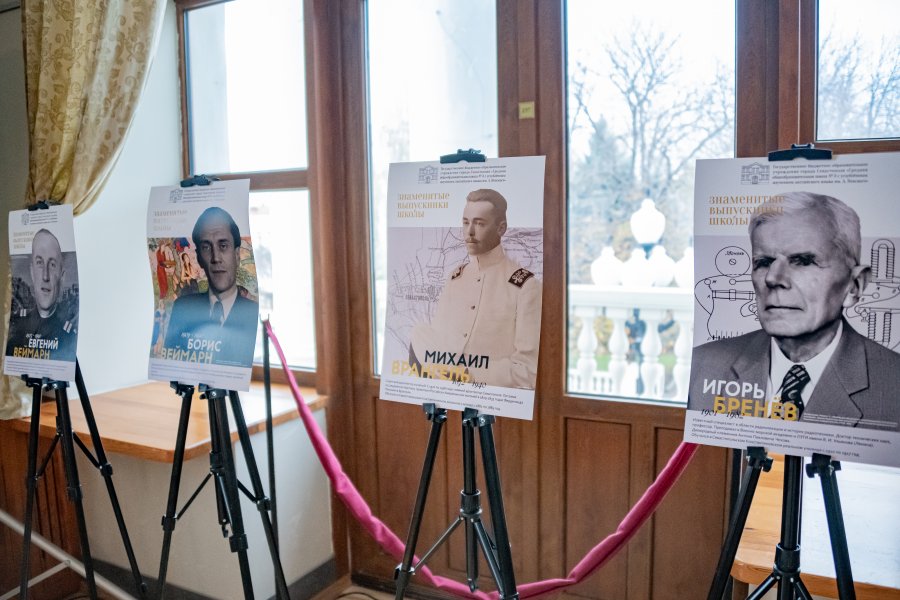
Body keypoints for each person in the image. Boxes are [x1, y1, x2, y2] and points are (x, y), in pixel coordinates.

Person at [689, 191, 900, 432]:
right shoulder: (705, 365)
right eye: (763, 262)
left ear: (854, 286)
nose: (773, 278)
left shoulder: (893, 383)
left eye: (803, 261)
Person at [409, 188, 542, 388]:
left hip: (491, 397)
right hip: (445, 395)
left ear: (501, 228)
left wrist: (467, 374)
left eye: (479, 223)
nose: (469, 232)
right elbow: (438, 345)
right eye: (465, 222)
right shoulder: (456, 278)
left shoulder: (525, 286)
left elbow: (527, 371)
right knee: (419, 333)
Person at [163, 207, 259, 367]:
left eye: (223, 246)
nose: (216, 258)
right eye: (206, 247)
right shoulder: (182, 308)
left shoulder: (253, 312)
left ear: (237, 255)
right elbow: (171, 365)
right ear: (199, 258)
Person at [5, 229, 77, 362]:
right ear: (32, 272)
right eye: (39, 263)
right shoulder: (16, 330)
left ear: (62, 277)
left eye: (52, 264)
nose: (45, 276)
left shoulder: (68, 337)